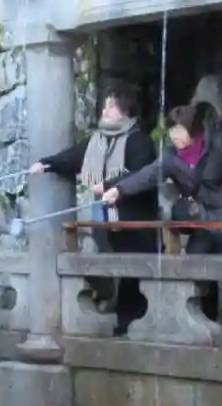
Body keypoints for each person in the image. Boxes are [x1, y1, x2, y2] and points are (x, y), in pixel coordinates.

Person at [105, 103, 222, 346]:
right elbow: (148, 175)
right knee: (198, 263)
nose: (174, 136)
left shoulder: (219, 145)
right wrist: (119, 190)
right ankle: (208, 321)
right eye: (171, 131)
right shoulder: (171, 157)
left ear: (193, 130)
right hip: (203, 216)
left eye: (178, 130)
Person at [30, 83, 157, 336]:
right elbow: (73, 157)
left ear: (126, 110)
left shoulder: (139, 140)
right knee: (108, 263)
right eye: (105, 105)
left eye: (112, 106)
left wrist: (111, 186)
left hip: (133, 217)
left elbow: (142, 173)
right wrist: (46, 164)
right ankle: (117, 314)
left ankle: (132, 320)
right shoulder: (97, 140)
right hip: (104, 217)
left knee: (133, 269)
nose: (105, 111)